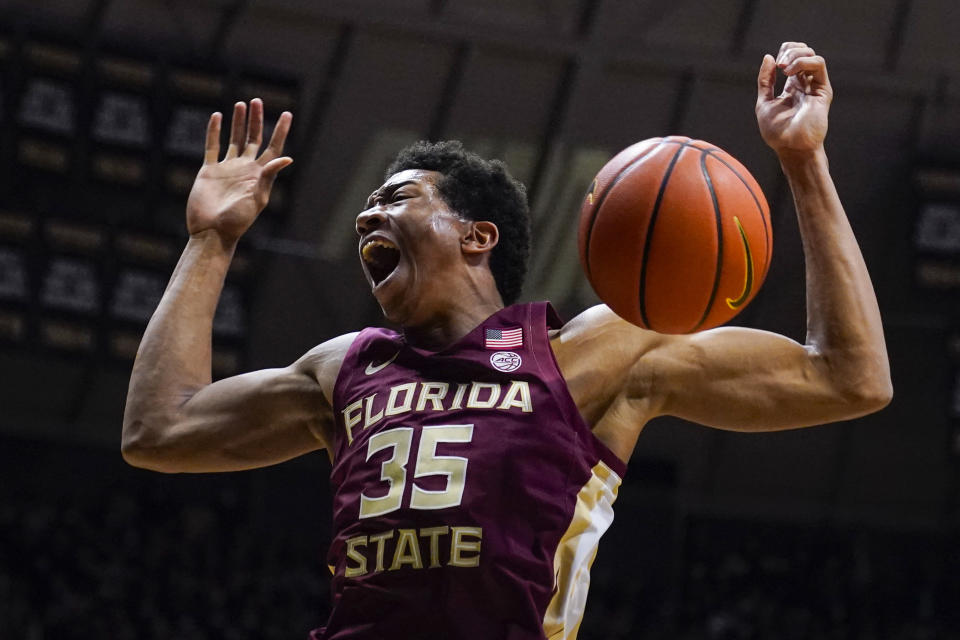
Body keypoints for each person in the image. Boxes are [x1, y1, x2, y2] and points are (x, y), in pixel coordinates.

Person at [122, 42, 892, 639]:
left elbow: (850, 376)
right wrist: (210, 241)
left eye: (396, 197)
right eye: (367, 205)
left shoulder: (595, 355)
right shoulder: (344, 369)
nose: (366, 217)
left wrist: (802, 160)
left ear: (477, 235)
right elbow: (160, 429)